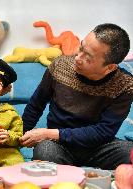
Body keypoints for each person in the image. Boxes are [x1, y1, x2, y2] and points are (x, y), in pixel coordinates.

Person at [20, 23, 133, 170]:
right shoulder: (59, 66)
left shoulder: (124, 85)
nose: (78, 58)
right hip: (58, 145)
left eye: (88, 58)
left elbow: (104, 132)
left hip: (98, 147)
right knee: (45, 151)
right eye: (81, 48)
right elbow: (36, 105)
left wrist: (50, 133)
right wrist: (17, 136)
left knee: (129, 152)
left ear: (110, 67)